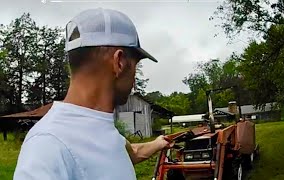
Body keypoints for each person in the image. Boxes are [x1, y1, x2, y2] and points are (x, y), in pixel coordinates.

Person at [13, 8, 171, 180]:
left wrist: (158, 143)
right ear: (119, 62)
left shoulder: (102, 129)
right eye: (135, 65)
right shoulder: (47, 145)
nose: (134, 78)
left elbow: (129, 152)